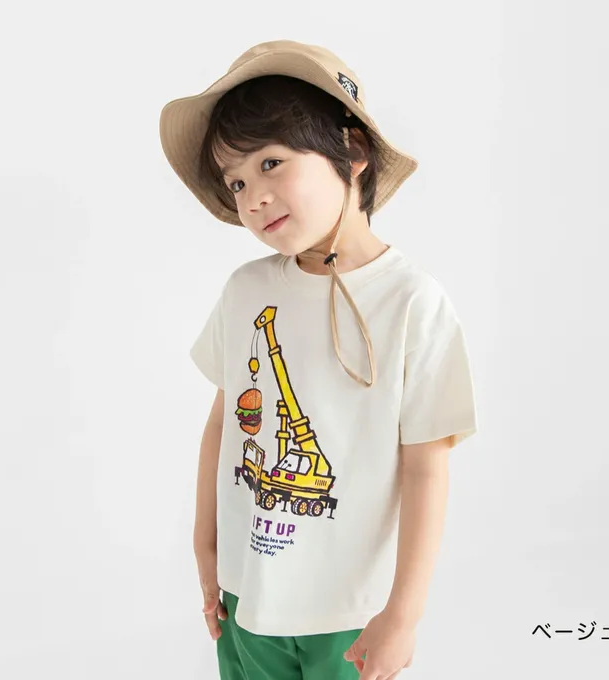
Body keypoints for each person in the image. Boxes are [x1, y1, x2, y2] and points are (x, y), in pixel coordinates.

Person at [159, 40, 478, 680]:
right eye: (237, 182)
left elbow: (426, 468)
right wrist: (205, 545)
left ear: (352, 151)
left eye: (272, 163)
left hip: (350, 612)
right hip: (248, 597)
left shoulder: (412, 303)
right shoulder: (247, 291)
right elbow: (223, 424)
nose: (253, 197)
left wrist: (403, 615)